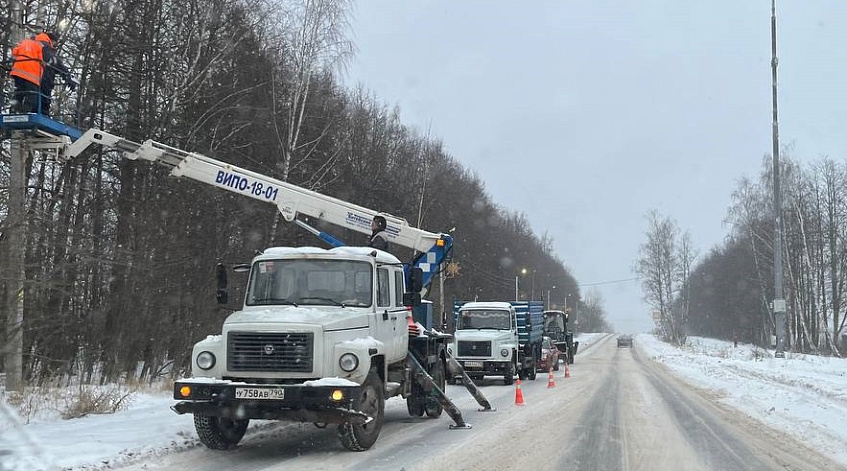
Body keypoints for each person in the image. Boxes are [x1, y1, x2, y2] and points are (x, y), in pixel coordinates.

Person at [35, 32, 75, 116]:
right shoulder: (45, 47)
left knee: (32, 98)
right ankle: (43, 115)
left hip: (30, 77)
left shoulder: (32, 44)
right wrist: (67, 76)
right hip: (44, 78)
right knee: (44, 101)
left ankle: (20, 109)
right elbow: (55, 63)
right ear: (51, 40)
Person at [9, 34, 45, 113]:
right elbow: (40, 60)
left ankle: (14, 109)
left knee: (19, 91)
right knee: (31, 93)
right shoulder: (38, 46)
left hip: (18, 71)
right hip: (31, 73)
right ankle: (26, 111)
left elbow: (14, 53)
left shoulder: (23, 42)